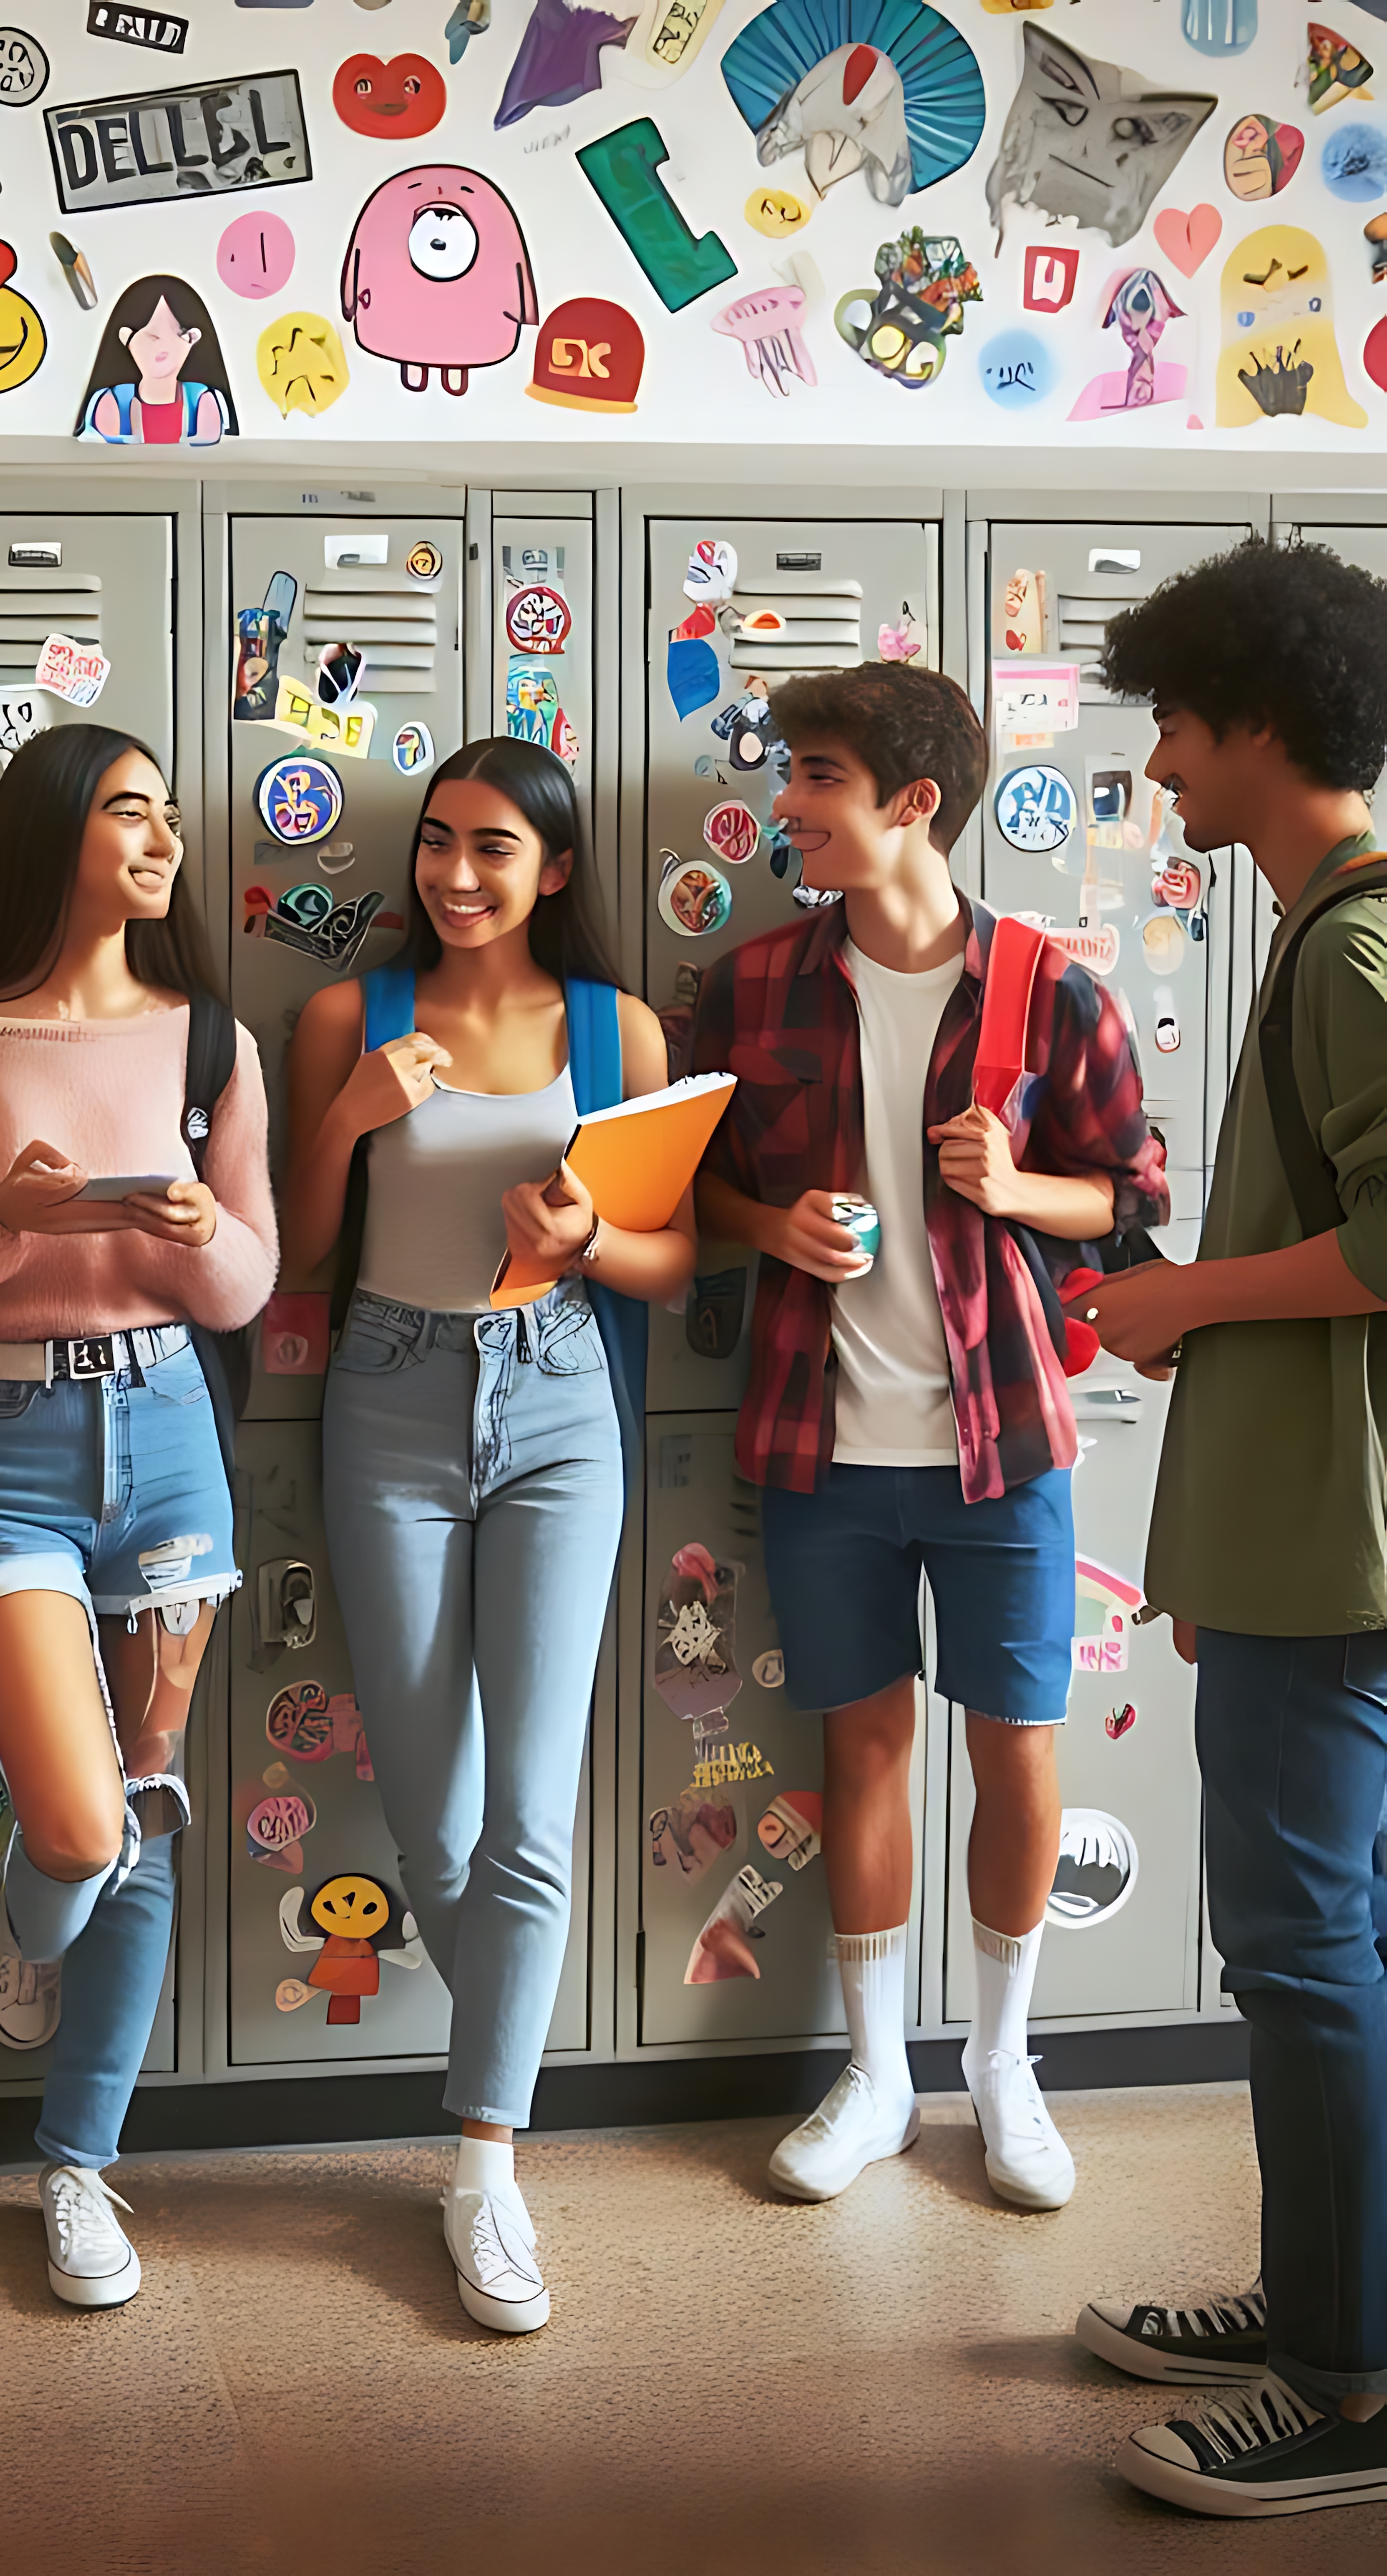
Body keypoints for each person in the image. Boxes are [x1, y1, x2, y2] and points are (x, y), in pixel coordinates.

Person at [689, 664, 1167, 2215]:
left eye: (814, 777)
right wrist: (773, 1224)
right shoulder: (753, 983)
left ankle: (1001, 2062)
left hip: (1000, 1443)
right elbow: (681, 1190)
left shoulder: (1045, 986)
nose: (786, 804)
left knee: (1012, 1750)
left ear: (909, 801)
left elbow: (1135, 1201)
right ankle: (875, 2069)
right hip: (819, 1441)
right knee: (860, 1747)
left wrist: (1012, 1183)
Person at [283, 737, 696, 2333]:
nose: (456, 876)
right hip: (385, 1391)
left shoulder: (613, 1027)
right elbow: (294, 1249)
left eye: (494, 850)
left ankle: (482, 2164)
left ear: (556, 870)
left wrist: (592, 1235)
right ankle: (507, 2052)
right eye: (439, 844)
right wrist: (347, 1115)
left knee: (529, 1809)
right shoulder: (350, 1016)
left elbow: (665, 1263)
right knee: (431, 1824)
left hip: (557, 1398)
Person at [0, 725, 277, 2309]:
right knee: (74, 1822)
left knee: (149, 1810)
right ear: (57, 834)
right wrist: (4, 1216)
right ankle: (42, 1902)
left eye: (166, 813)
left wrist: (187, 1232)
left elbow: (251, 1282)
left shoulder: (207, 1045)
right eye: (128, 811)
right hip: (7, 1443)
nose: (162, 837)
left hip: (170, 1431)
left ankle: (74, 2166)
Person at [1073, 536, 1387, 2518]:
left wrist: (1177, 1297)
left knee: (1299, 1949)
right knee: (1323, 1943)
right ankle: (1311, 2295)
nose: (1161, 764)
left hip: (1326, 1556)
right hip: (1295, 1535)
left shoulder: (1351, 938)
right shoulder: (1321, 928)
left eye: (1178, 724)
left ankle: (1341, 2377)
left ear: (1258, 720)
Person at [75, 276, 237, 446]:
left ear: (193, 339)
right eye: (152, 335)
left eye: (178, 333)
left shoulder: (202, 399)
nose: (163, 343)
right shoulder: (114, 400)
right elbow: (104, 446)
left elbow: (209, 442)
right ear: (127, 339)